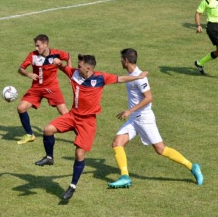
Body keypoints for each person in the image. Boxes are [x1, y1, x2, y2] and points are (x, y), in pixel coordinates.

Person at [34, 54, 148, 200]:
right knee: (48, 129)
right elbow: (63, 67)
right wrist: (57, 62)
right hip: (72, 116)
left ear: (88, 68)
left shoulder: (101, 78)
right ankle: (49, 157)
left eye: (80, 65)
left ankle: (72, 186)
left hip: (87, 122)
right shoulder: (74, 73)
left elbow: (121, 79)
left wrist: (138, 77)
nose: (77, 67)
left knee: (79, 155)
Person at [107, 48, 204, 189]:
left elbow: (149, 98)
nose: (120, 61)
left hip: (144, 119)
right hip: (134, 119)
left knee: (160, 149)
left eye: (121, 59)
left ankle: (192, 166)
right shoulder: (132, 75)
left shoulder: (140, 77)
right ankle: (125, 177)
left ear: (126, 60)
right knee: (117, 143)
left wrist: (129, 110)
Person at [16, 34, 72, 145]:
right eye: (35, 46)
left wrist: (70, 74)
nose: (36, 48)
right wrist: (28, 74)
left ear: (45, 45)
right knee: (21, 108)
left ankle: (80, 134)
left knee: (64, 113)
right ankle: (29, 134)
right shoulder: (32, 55)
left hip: (52, 87)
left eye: (38, 46)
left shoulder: (56, 53)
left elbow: (68, 57)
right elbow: (20, 69)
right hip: (36, 88)